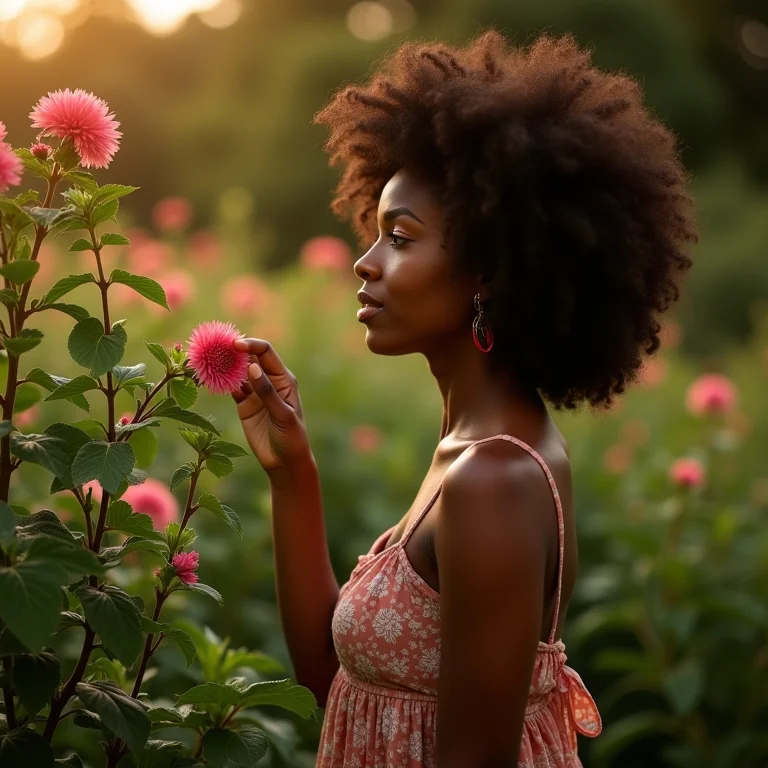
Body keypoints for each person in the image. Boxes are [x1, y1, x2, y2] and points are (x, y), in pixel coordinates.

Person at [231, 28, 698, 768]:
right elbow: (335, 679)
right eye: (376, 232)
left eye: (401, 238)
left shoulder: (495, 480)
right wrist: (294, 474)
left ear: (487, 269)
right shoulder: (472, 449)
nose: (366, 260)